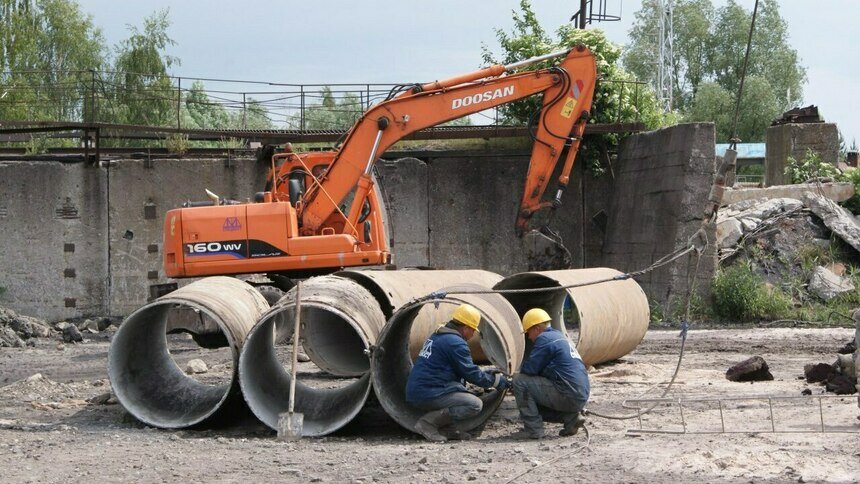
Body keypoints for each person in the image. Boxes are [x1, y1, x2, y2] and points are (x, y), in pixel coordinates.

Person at [406, 303, 510, 441]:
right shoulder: (455, 343)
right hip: (428, 392)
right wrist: (495, 381)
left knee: (459, 392)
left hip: (422, 389)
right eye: (473, 330)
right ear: (465, 327)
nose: (473, 335)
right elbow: (470, 373)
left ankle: (446, 429)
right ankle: (427, 423)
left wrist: (486, 372)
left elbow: (460, 368)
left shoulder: (439, 335)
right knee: (474, 404)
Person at [511, 308, 590, 439]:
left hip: (568, 393)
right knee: (532, 404)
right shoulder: (558, 336)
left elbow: (530, 369)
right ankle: (571, 418)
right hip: (579, 395)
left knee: (519, 381)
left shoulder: (544, 338)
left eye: (528, 333)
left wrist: (512, 377)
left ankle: (533, 430)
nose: (529, 337)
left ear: (537, 329)